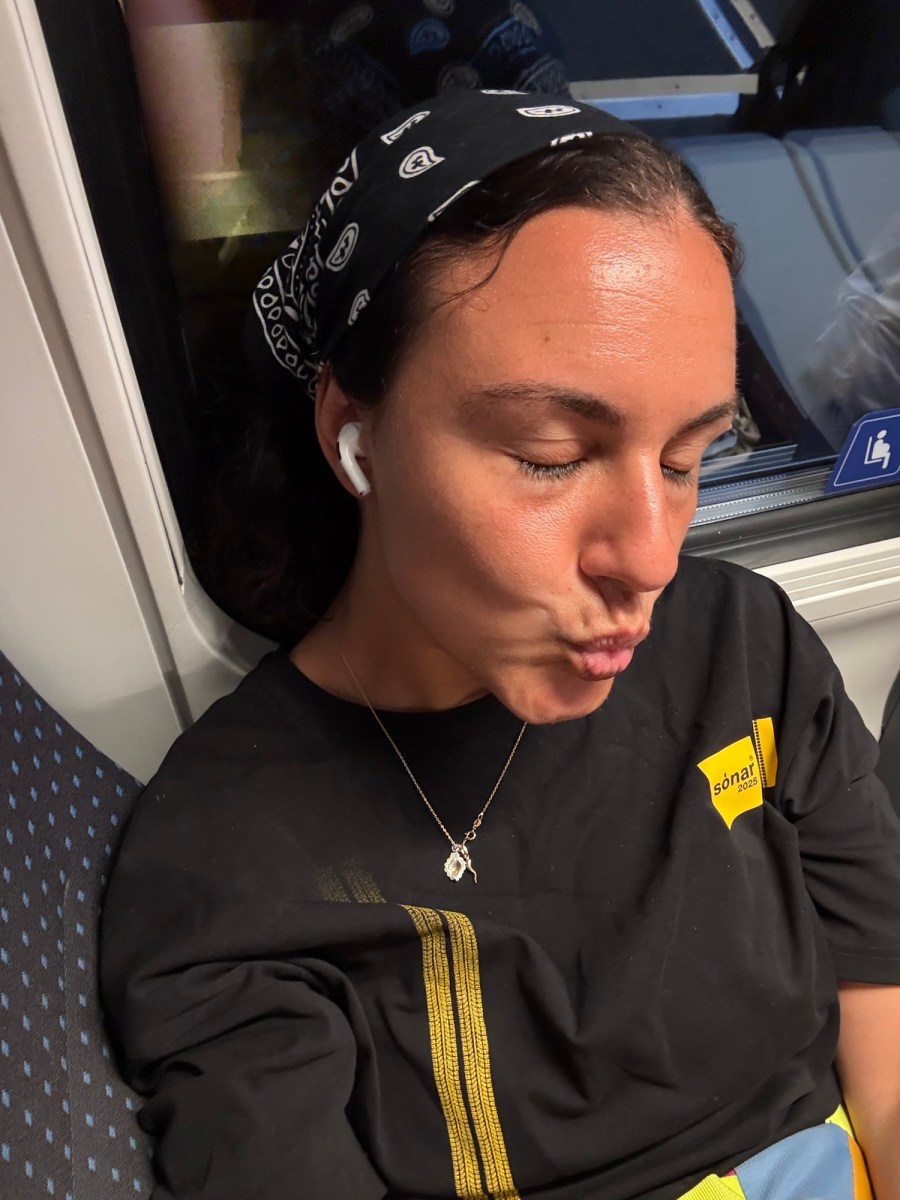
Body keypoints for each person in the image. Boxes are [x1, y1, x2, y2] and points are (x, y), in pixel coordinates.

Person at [99, 90, 900, 1200]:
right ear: (355, 437)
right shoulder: (231, 858)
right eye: (550, 457)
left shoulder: (743, 645)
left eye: (687, 460)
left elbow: (882, 1013)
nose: (651, 558)